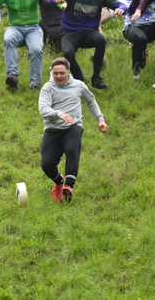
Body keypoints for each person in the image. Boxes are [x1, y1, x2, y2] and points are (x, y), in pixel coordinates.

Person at [39, 57, 108, 203]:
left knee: (72, 148)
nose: (58, 76)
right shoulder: (47, 88)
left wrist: (100, 119)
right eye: (55, 73)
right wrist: (59, 114)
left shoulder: (78, 85)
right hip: (52, 130)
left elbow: (90, 101)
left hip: (73, 127)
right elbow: (43, 109)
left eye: (61, 73)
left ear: (68, 72)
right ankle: (59, 180)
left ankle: (69, 186)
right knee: (46, 164)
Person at [45, 0, 125, 90]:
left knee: (101, 40)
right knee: (67, 52)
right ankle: (79, 80)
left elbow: (121, 3)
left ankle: (96, 77)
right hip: (70, 31)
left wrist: (121, 9)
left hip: (89, 32)